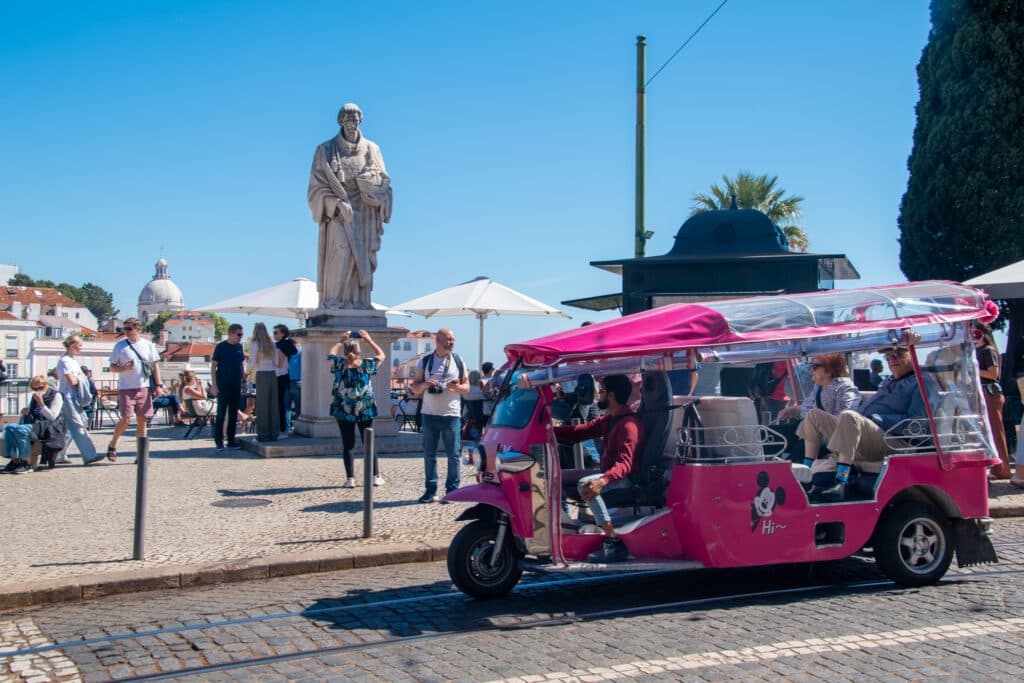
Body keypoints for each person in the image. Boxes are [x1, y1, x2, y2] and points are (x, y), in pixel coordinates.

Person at [805, 340, 936, 503]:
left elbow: (919, 423)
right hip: (868, 433)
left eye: (898, 354)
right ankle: (806, 472)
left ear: (912, 354)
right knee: (814, 415)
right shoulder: (889, 381)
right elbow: (867, 407)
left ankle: (841, 482)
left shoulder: (921, 382)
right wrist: (851, 418)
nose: (892, 360)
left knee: (849, 417)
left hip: (894, 440)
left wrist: (876, 419)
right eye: (888, 356)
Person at [307, 102, 393, 309]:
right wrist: (335, 204)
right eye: (348, 119)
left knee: (363, 257)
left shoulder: (372, 149)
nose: (352, 123)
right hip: (338, 212)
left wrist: (377, 193)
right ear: (341, 121)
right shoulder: (326, 150)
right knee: (341, 251)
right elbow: (315, 189)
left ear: (360, 121)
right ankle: (334, 300)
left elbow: (385, 183)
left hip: (365, 211)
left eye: (355, 119)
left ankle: (361, 301)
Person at [553, 375, 643, 563]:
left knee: (585, 484)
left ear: (611, 395)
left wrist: (602, 481)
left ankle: (613, 540)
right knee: (556, 477)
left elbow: (625, 465)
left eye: (600, 391)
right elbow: (580, 432)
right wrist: (548, 431)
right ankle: (566, 528)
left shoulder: (628, 425)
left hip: (625, 481)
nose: (597, 396)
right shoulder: (610, 420)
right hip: (610, 474)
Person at [777, 354, 862, 483]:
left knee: (799, 445)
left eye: (815, 366)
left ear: (829, 371)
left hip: (828, 436)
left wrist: (819, 419)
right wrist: (792, 410)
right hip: (808, 426)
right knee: (772, 433)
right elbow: (808, 406)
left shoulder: (846, 389)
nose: (811, 370)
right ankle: (758, 467)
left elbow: (846, 419)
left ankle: (795, 478)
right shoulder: (818, 387)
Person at [411, 328, 469, 503]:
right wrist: (426, 385)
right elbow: (415, 388)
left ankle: (452, 490)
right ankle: (430, 490)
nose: (452, 342)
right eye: (449, 339)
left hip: (452, 414)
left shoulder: (458, 361)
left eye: (453, 339)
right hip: (429, 413)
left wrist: (455, 388)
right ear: (439, 340)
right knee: (429, 454)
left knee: (453, 454)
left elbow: (466, 388)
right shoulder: (425, 362)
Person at [329, 330, 386, 488]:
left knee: (348, 444)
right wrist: (368, 339)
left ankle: (350, 479)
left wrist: (341, 340)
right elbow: (382, 355)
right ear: (359, 351)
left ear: (345, 350)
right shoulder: (367, 364)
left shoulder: (339, 365)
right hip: (365, 409)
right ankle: (375, 476)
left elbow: (330, 354)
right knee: (369, 443)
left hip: (344, 409)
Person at [107, 318, 164, 461]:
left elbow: (155, 366)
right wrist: (123, 368)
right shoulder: (120, 346)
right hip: (126, 387)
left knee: (142, 421)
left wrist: (158, 386)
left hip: (143, 387)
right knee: (126, 419)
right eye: (124, 329)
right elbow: (112, 367)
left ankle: (141, 454)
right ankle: (113, 444)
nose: (125, 332)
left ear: (137, 329)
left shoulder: (148, 345)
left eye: (128, 329)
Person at [55, 333, 101, 465]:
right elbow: (71, 381)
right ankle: (89, 455)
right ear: (72, 345)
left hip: (73, 397)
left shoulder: (73, 361)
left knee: (69, 428)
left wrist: (80, 379)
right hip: (67, 396)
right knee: (78, 425)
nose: (81, 347)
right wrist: (83, 379)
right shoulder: (64, 361)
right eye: (80, 344)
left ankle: (59, 455)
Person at [974, 324, 1011, 479]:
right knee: (988, 433)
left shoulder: (988, 350)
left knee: (995, 430)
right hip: (982, 392)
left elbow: (993, 373)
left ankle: (1003, 469)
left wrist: (973, 369)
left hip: (990, 392)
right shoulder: (977, 351)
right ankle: (997, 467)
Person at [211, 324, 246, 451]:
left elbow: (241, 364)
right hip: (223, 384)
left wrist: (244, 381)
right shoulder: (221, 347)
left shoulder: (239, 347)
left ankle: (231, 440)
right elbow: (213, 366)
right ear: (231, 334)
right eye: (239, 334)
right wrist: (214, 385)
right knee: (221, 413)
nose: (240, 337)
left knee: (233, 413)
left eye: (241, 334)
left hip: (235, 384)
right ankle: (218, 441)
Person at [249, 323, 284, 442]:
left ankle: (263, 434)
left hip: (261, 373)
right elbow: (276, 362)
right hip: (272, 374)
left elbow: (252, 363)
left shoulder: (255, 344)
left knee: (262, 405)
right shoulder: (272, 345)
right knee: (273, 404)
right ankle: (274, 433)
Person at [273, 324, 298, 438]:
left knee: (281, 403)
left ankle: (282, 428)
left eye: (276, 332)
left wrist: (271, 363)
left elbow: (279, 364)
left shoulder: (282, 345)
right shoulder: (282, 344)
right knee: (282, 403)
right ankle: (282, 428)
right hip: (284, 376)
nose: (274, 334)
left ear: (283, 333)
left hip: (281, 376)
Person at [287, 343, 302, 431]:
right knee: (299, 407)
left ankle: (287, 429)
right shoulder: (301, 351)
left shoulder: (286, 351)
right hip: (299, 380)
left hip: (287, 381)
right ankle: (299, 427)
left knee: (287, 407)